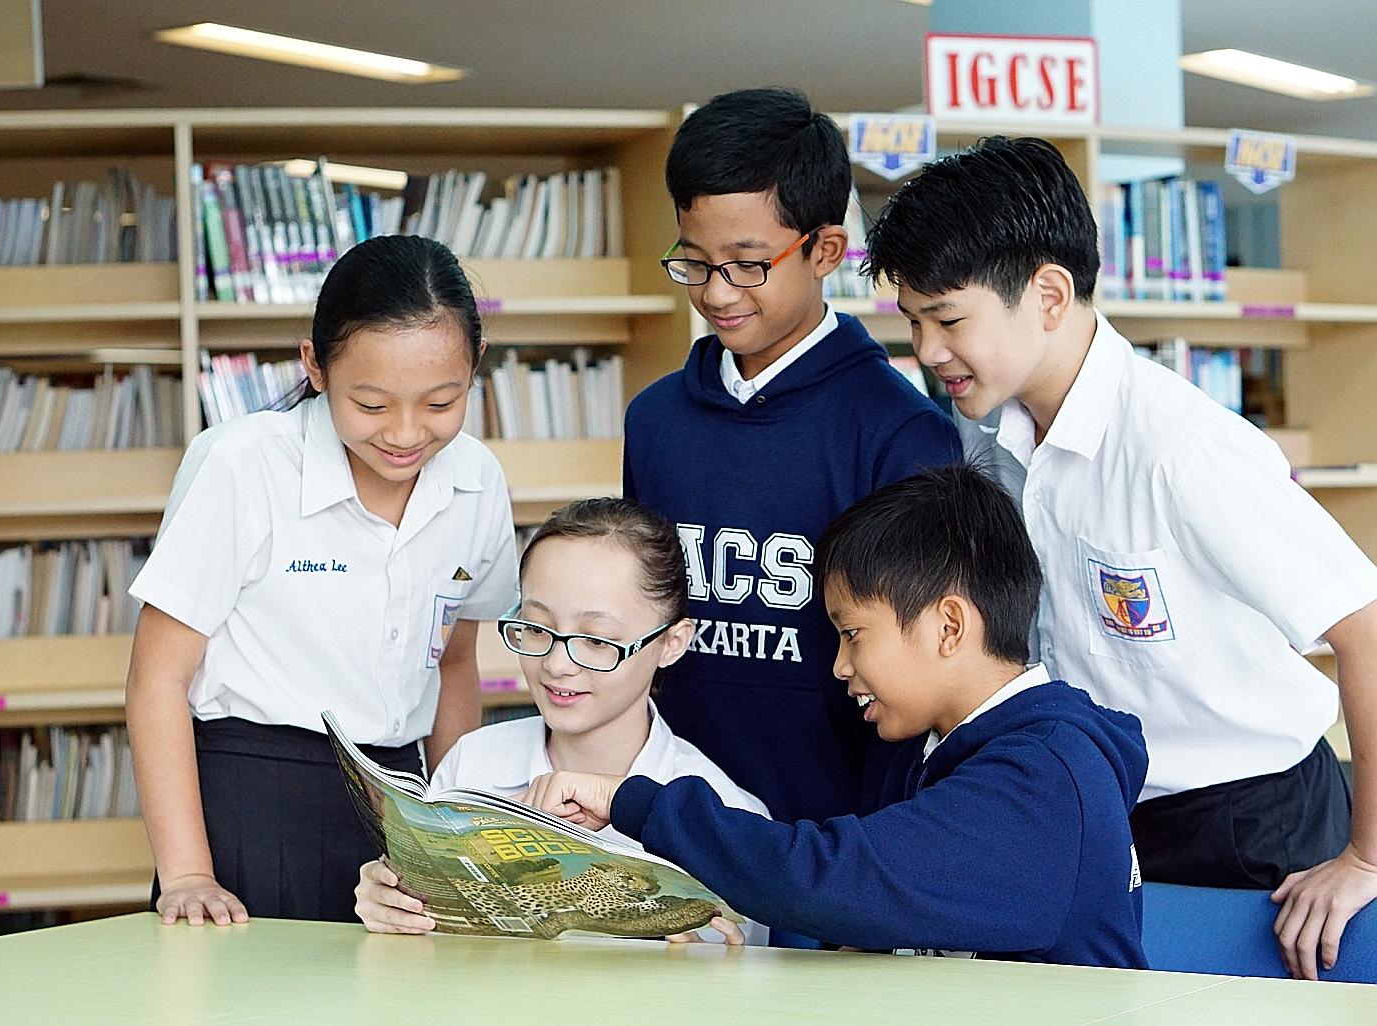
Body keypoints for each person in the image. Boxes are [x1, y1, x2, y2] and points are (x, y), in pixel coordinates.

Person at [865, 134, 1377, 980]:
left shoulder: (1181, 448)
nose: (926, 352)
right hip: (1108, 811)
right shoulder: (992, 436)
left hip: (1255, 827)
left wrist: (1366, 858)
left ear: (1050, 294)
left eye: (949, 320)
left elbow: (1365, 623)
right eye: (913, 322)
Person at [522, 467, 1149, 968]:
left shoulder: (1044, 782)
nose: (840, 667)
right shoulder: (926, 748)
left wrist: (634, 804)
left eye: (852, 635)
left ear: (948, 626)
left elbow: (831, 877)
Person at [126, 235, 519, 926]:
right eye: (371, 404)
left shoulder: (477, 480)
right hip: (253, 801)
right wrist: (188, 872)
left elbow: (456, 663)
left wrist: (452, 839)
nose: (405, 433)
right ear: (314, 364)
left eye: (439, 402)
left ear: (475, 367)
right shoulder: (242, 464)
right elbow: (157, 679)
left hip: (401, 805)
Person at [624, 87, 961, 843]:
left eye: (747, 266)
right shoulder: (654, 422)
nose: (715, 292)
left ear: (826, 251)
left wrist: (870, 862)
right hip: (669, 835)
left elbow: (919, 689)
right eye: (695, 262)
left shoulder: (901, 436)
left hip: (830, 849)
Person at [354, 497, 769, 943]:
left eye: (595, 639)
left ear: (672, 642)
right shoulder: (472, 766)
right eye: (535, 627)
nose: (556, 664)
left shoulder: (727, 817)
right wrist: (392, 910)